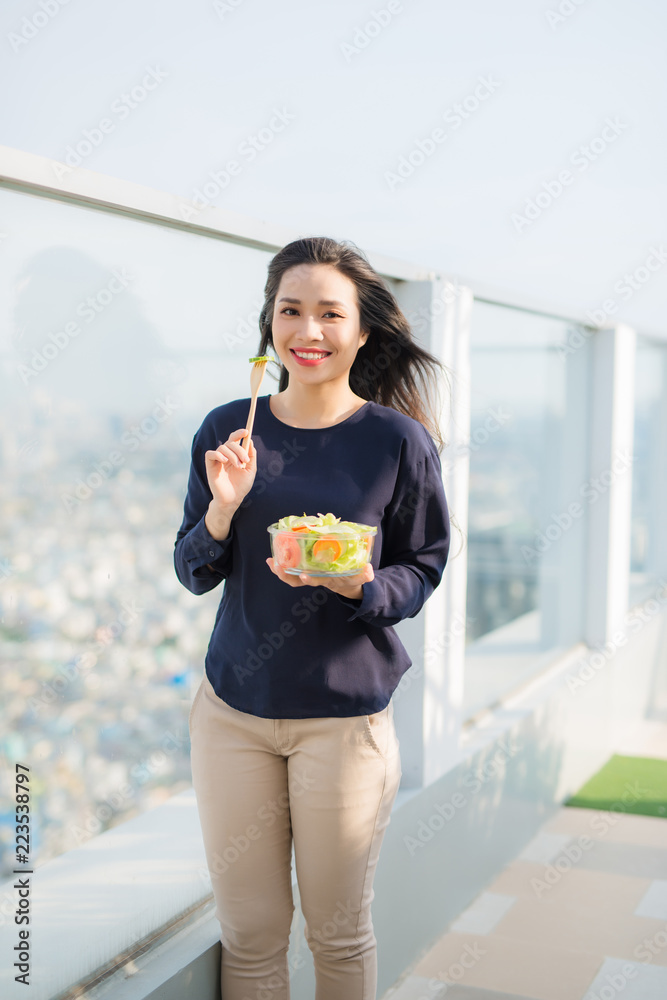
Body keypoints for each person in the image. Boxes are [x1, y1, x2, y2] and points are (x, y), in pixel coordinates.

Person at [174, 236, 452, 1000]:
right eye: (290, 310)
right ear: (269, 324)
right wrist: (224, 512)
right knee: (251, 936)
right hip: (233, 716)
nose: (309, 331)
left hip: (343, 723)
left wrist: (361, 585)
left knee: (337, 934)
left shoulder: (397, 442)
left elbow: (422, 564)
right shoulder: (230, 430)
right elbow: (193, 569)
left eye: (330, 314)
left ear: (362, 332)